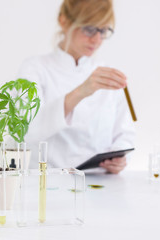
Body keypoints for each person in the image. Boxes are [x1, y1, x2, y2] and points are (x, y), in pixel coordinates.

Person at [17, 0, 135, 174]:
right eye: (89, 29)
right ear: (64, 21)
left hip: (100, 185)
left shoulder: (107, 76)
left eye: (103, 31)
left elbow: (125, 134)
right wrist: (81, 91)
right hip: (49, 182)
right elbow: (27, 131)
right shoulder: (35, 68)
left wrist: (120, 159)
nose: (96, 39)